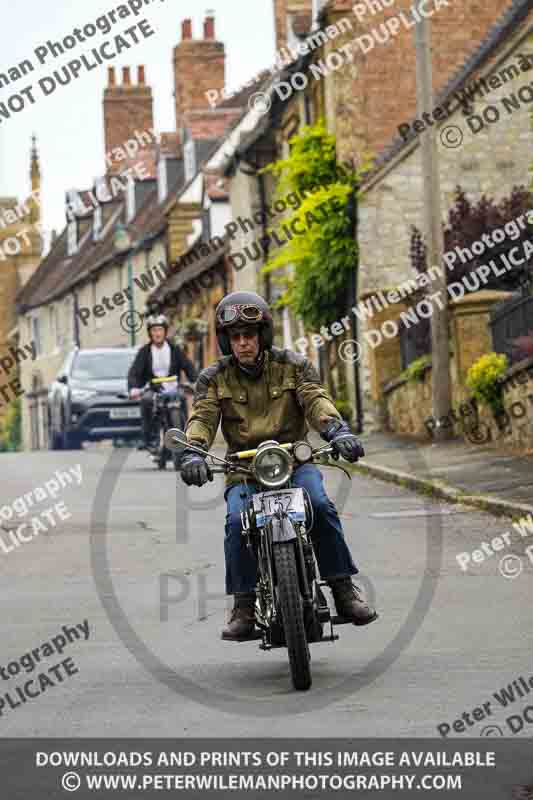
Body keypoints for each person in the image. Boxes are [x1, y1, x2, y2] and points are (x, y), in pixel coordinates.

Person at [179, 291, 378, 641]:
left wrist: (337, 431)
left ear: (263, 335)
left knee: (320, 506)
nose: (243, 343)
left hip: (294, 461)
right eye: (236, 337)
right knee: (235, 524)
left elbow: (316, 400)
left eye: (250, 335)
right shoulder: (213, 378)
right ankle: (243, 605)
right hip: (243, 469)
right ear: (227, 341)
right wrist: (193, 451)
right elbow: (203, 417)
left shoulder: (294, 366)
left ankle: (343, 591)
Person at [128, 314, 196, 451]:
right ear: (150, 333)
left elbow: (188, 366)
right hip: (154, 388)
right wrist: (133, 388)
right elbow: (134, 372)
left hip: (173, 388)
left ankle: (185, 436)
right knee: (146, 401)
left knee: (182, 398)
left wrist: (195, 381)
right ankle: (149, 438)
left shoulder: (175, 349)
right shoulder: (144, 352)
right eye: (154, 330)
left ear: (165, 331)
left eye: (160, 330)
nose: (157, 333)